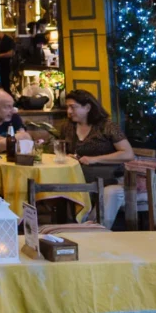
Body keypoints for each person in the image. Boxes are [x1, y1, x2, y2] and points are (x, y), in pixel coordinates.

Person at [59, 89, 134, 228]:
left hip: (112, 178)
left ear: (87, 107)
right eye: (67, 107)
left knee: (109, 193)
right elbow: (64, 150)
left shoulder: (107, 126)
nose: (69, 111)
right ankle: (78, 228)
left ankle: (91, 231)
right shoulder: (67, 127)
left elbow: (128, 154)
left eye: (73, 107)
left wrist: (95, 159)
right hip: (82, 179)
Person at [0, 28, 16, 92]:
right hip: (2, 66)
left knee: (8, 85)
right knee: (3, 84)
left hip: (8, 66)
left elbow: (11, 53)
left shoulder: (8, 40)